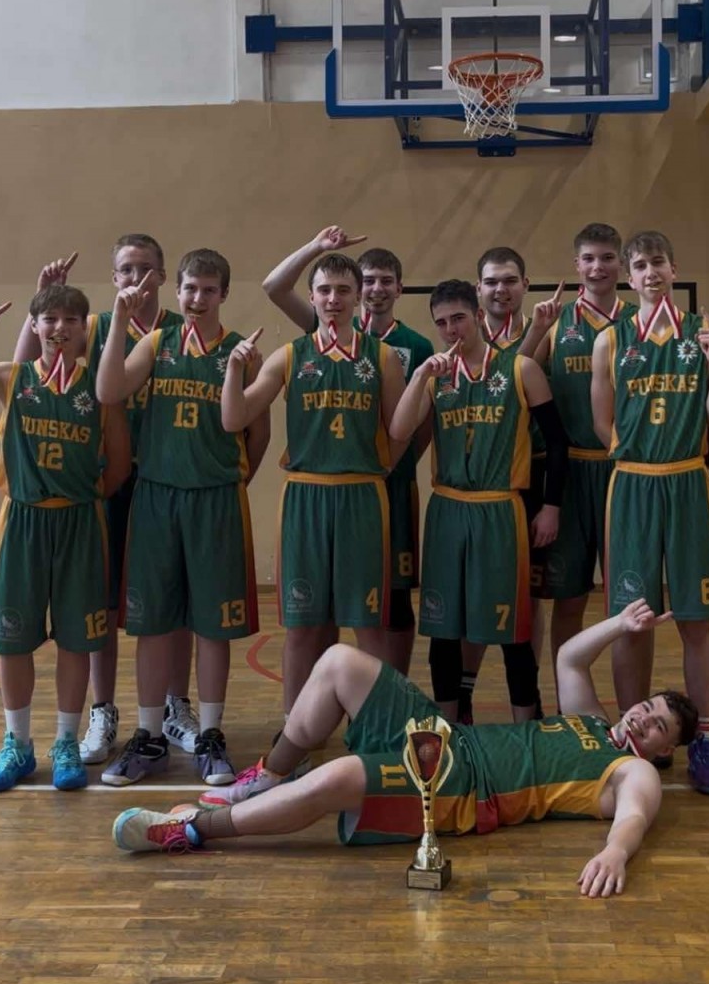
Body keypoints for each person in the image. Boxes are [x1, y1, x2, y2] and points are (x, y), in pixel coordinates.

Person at [113, 599, 699, 899]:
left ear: (661, 752)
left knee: (338, 778)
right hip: (447, 737)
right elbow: (570, 657)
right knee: (340, 662)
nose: (643, 718)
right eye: (648, 707)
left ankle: (193, 830)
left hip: (462, 788)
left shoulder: (631, 771)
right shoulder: (591, 722)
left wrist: (616, 854)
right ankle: (266, 776)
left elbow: (633, 818)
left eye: (658, 727)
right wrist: (621, 624)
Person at [12, 238, 195, 765]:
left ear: (163, 276)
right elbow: (25, 375)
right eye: (125, 270)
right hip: (104, 481)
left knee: (173, 599)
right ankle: (103, 709)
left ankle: (175, 706)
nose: (135, 278)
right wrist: (40, 301)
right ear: (114, 278)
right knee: (102, 603)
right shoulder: (91, 327)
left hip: (166, 480)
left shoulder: (181, 331)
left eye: (145, 269)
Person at [94, 249, 270, 786]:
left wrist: (232, 481)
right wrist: (120, 319)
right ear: (178, 292)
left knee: (212, 626)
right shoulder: (157, 343)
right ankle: (148, 736)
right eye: (190, 288)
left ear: (224, 294)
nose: (198, 298)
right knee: (152, 623)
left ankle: (211, 735)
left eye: (208, 290)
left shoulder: (242, 353)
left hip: (215, 500)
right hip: (156, 497)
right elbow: (108, 390)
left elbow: (259, 433)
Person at [220, 241, 407, 736]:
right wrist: (234, 370)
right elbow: (234, 418)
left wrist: (375, 470)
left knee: (369, 625)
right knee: (302, 626)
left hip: (362, 496)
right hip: (305, 497)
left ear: (358, 296)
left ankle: (379, 731)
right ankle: (295, 731)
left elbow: (398, 432)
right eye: (324, 290)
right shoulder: (289, 356)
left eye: (343, 290)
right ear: (312, 296)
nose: (333, 299)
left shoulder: (383, 357)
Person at [591, 230, 709, 796]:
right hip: (632, 485)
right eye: (640, 265)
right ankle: (635, 739)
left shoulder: (705, 333)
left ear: (674, 269)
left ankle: (702, 741)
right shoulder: (610, 339)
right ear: (629, 277)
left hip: (688, 481)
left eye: (658, 263)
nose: (650, 272)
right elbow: (603, 424)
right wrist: (638, 456)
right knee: (634, 620)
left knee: (695, 620)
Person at [0, 287, 130, 792]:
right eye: (50, 319)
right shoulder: (11, 377)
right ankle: (17, 743)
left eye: (70, 320)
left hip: (79, 522)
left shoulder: (100, 391)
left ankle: (65, 741)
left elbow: (119, 465)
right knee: (12, 639)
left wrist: (81, 499)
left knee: (76, 640)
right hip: (22, 521)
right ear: (35, 326)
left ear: (85, 329)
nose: (60, 328)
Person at [388, 278, 567, 725]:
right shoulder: (435, 377)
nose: (451, 329)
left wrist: (551, 505)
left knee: (513, 630)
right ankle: (449, 731)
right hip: (448, 510)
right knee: (443, 628)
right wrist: (420, 377)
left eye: (459, 318)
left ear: (479, 317)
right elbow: (399, 432)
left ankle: (526, 732)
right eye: (442, 323)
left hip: (501, 509)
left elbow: (557, 443)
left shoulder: (521, 368)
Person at [261, 226, 433, 674]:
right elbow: (274, 286)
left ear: (397, 288)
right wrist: (317, 246)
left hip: (377, 485)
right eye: (368, 280)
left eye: (384, 281)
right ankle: (316, 703)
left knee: (385, 605)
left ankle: (387, 699)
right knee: (314, 614)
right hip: (321, 487)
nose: (376, 289)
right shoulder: (320, 332)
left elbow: (416, 423)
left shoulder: (411, 347)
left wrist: (388, 463)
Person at [519, 223, 639, 690]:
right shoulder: (557, 321)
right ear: (576, 265)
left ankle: (628, 706)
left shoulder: (638, 321)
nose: (598, 266)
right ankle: (569, 704)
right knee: (568, 600)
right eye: (589, 258)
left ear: (621, 264)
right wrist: (536, 328)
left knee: (628, 599)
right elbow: (515, 376)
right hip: (568, 474)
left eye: (607, 257)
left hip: (623, 470)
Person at [458, 247, 546, 722]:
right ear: (479, 289)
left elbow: (518, 383)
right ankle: (464, 691)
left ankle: (528, 693)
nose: (501, 290)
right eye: (491, 282)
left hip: (527, 477)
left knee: (526, 595)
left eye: (510, 280)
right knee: (471, 594)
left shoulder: (545, 333)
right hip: (475, 485)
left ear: (525, 285)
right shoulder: (463, 338)